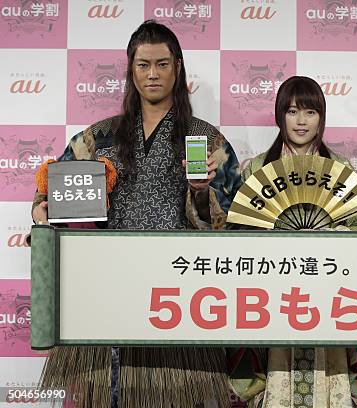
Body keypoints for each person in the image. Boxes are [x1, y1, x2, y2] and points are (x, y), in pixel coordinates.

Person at [31, 20, 241, 407]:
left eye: (162, 63)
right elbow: (50, 193)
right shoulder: (99, 137)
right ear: (131, 69)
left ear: (177, 67)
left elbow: (236, 223)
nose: (153, 74)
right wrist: (44, 212)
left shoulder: (206, 139)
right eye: (143, 64)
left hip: (178, 294)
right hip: (108, 291)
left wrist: (199, 194)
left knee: (177, 396)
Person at [228, 76, 357, 408]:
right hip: (272, 292)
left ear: (321, 118)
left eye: (310, 112)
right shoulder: (255, 169)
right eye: (293, 111)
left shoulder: (340, 169)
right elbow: (238, 234)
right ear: (279, 115)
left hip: (328, 292)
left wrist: (333, 239)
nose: (301, 121)